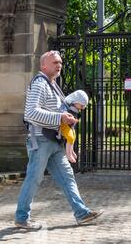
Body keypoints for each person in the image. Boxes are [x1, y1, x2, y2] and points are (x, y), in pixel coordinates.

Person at [15, 50, 103, 230]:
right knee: (34, 178)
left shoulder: (53, 85)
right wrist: (60, 118)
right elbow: (30, 113)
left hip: (54, 142)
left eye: (60, 62)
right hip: (40, 140)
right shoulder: (40, 83)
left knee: (67, 177)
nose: (59, 65)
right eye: (55, 62)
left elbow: (58, 112)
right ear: (43, 65)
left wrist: (66, 120)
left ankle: (81, 213)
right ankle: (22, 217)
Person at [60, 90, 88, 163]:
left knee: (74, 136)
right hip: (65, 125)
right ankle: (68, 154)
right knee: (70, 137)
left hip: (70, 126)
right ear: (76, 101)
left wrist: (74, 120)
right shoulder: (66, 105)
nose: (82, 108)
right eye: (82, 105)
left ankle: (71, 151)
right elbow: (63, 113)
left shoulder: (75, 107)